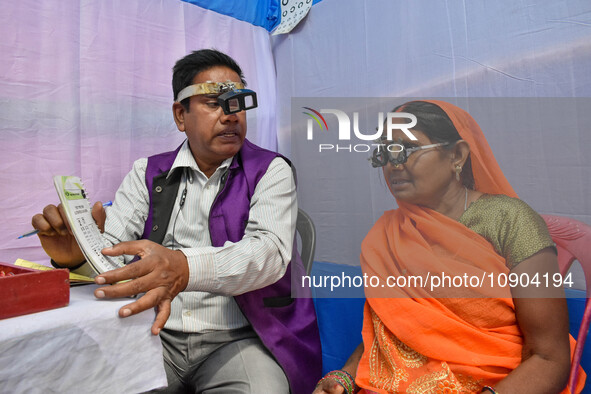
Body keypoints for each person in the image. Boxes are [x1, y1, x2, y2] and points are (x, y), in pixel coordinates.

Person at [31, 49, 321, 394]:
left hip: (242, 339)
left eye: (238, 102)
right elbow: (115, 258)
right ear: (180, 115)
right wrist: (77, 256)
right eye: (214, 102)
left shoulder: (271, 170)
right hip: (154, 334)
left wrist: (183, 266)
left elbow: (268, 256)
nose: (231, 116)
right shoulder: (147, 173)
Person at [313, 100, 585, 394]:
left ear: (456, 155)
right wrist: (345, 376)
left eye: (408, 149)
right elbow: (393, 329)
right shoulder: (394, 231)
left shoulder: (512, 221)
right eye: (385, 152)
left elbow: (548, 357)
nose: (394, 163)